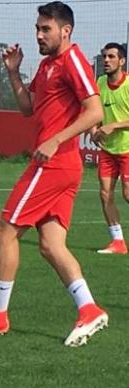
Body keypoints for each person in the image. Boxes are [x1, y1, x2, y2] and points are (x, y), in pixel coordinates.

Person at [0, 1, 108, 347]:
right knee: (51, 245)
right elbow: (28, 109)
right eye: (37, 28)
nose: (39, 34)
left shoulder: (73, 61)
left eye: (46, 29)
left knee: (4, 232)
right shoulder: (47, 65)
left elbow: (94, 109)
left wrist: (56, 140)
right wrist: (13, 72)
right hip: (61, 166)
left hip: (54, 164)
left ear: (65, 31)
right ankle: (89, 308)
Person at [90, 43, 129, 254]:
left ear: (121, 61)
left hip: (127, 150)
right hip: (108, 151)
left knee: (127, 194)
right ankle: (118, 242)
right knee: (105, 194)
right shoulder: (100, 82)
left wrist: (113, 125)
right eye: (104, 56)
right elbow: (94, 109)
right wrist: (94, 127)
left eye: (111, 56)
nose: (106, 60)